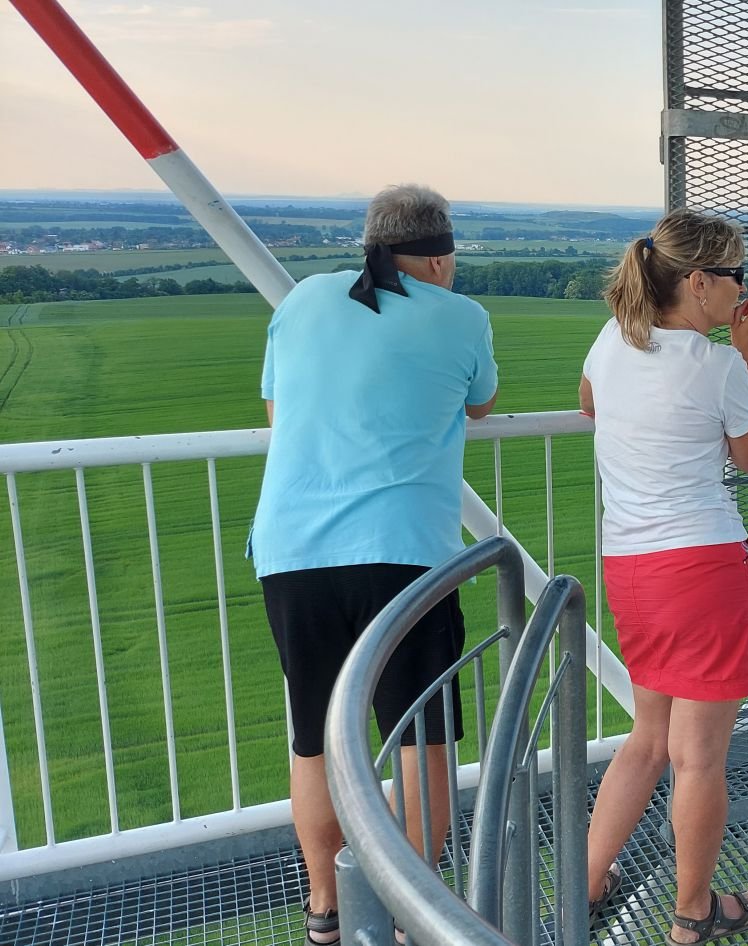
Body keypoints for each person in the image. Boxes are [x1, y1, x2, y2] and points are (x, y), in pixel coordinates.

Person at [250, 183, 498, 946]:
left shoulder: (303, 299)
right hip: (404, 558)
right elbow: (480, 403)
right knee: (421, 746)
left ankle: (326, 911)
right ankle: (402, 915)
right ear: (441, 257)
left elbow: (277, 410)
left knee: (316, 740)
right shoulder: (460, 315)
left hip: (292, 552)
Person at [579, 209, 748, 944]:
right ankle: (694, 915)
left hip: (632, 570)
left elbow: (589, 403)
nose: (741, 289)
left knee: (648, 739)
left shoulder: (611, 341)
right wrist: (747, 358)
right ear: (698, 282)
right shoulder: (716, 364)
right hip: (702, 569)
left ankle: (583, 886)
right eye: (734, 275)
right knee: (698, 760)